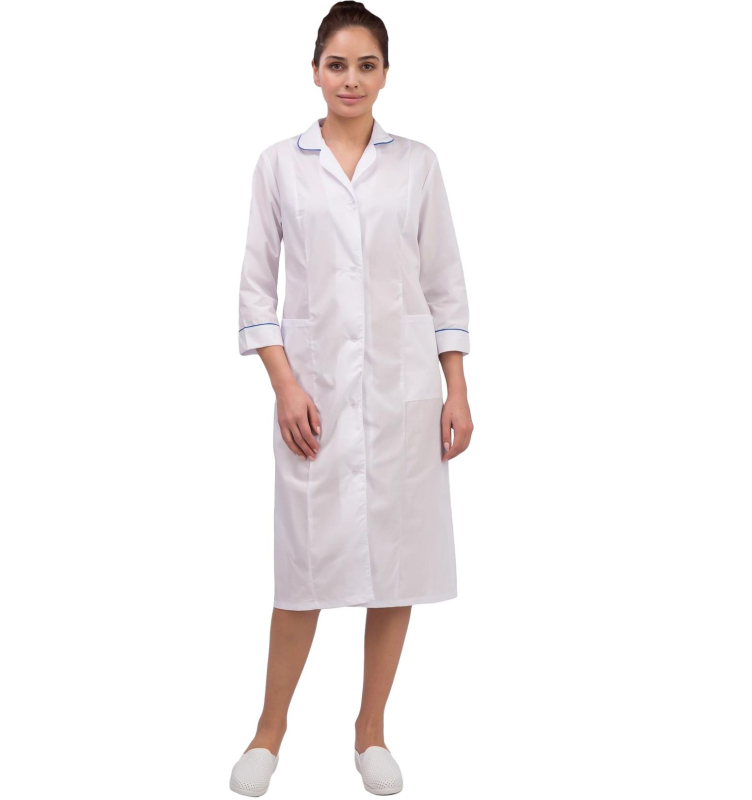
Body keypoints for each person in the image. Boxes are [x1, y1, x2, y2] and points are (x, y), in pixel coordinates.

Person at [230, 2, 473, 795]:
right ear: (314, 71)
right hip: (317, 400)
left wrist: (457, 390)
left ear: (386, 74)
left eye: (367, 65)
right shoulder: (279, 164)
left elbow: (444, 286)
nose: (352, 79)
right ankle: (269, 731)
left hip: (404, 398)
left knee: (397, 567)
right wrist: (285, 384)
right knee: (303, 568)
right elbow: (255, 290)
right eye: (337, 64)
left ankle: (371, 732)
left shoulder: (418, 165)